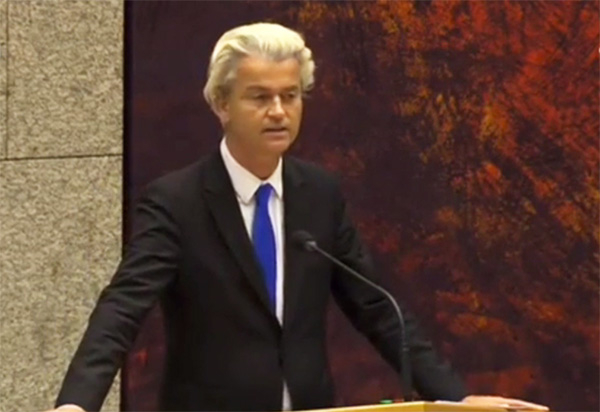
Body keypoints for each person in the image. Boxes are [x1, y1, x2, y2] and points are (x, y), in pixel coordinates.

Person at [47, 23, 548, 412]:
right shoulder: (177, 201)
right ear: (221, 103)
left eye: (290, 95)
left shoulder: (319, 194)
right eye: (260, 97)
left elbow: (377, 309)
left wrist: (453, 399)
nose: (279, 111)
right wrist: (76, 403)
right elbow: (122, 308)